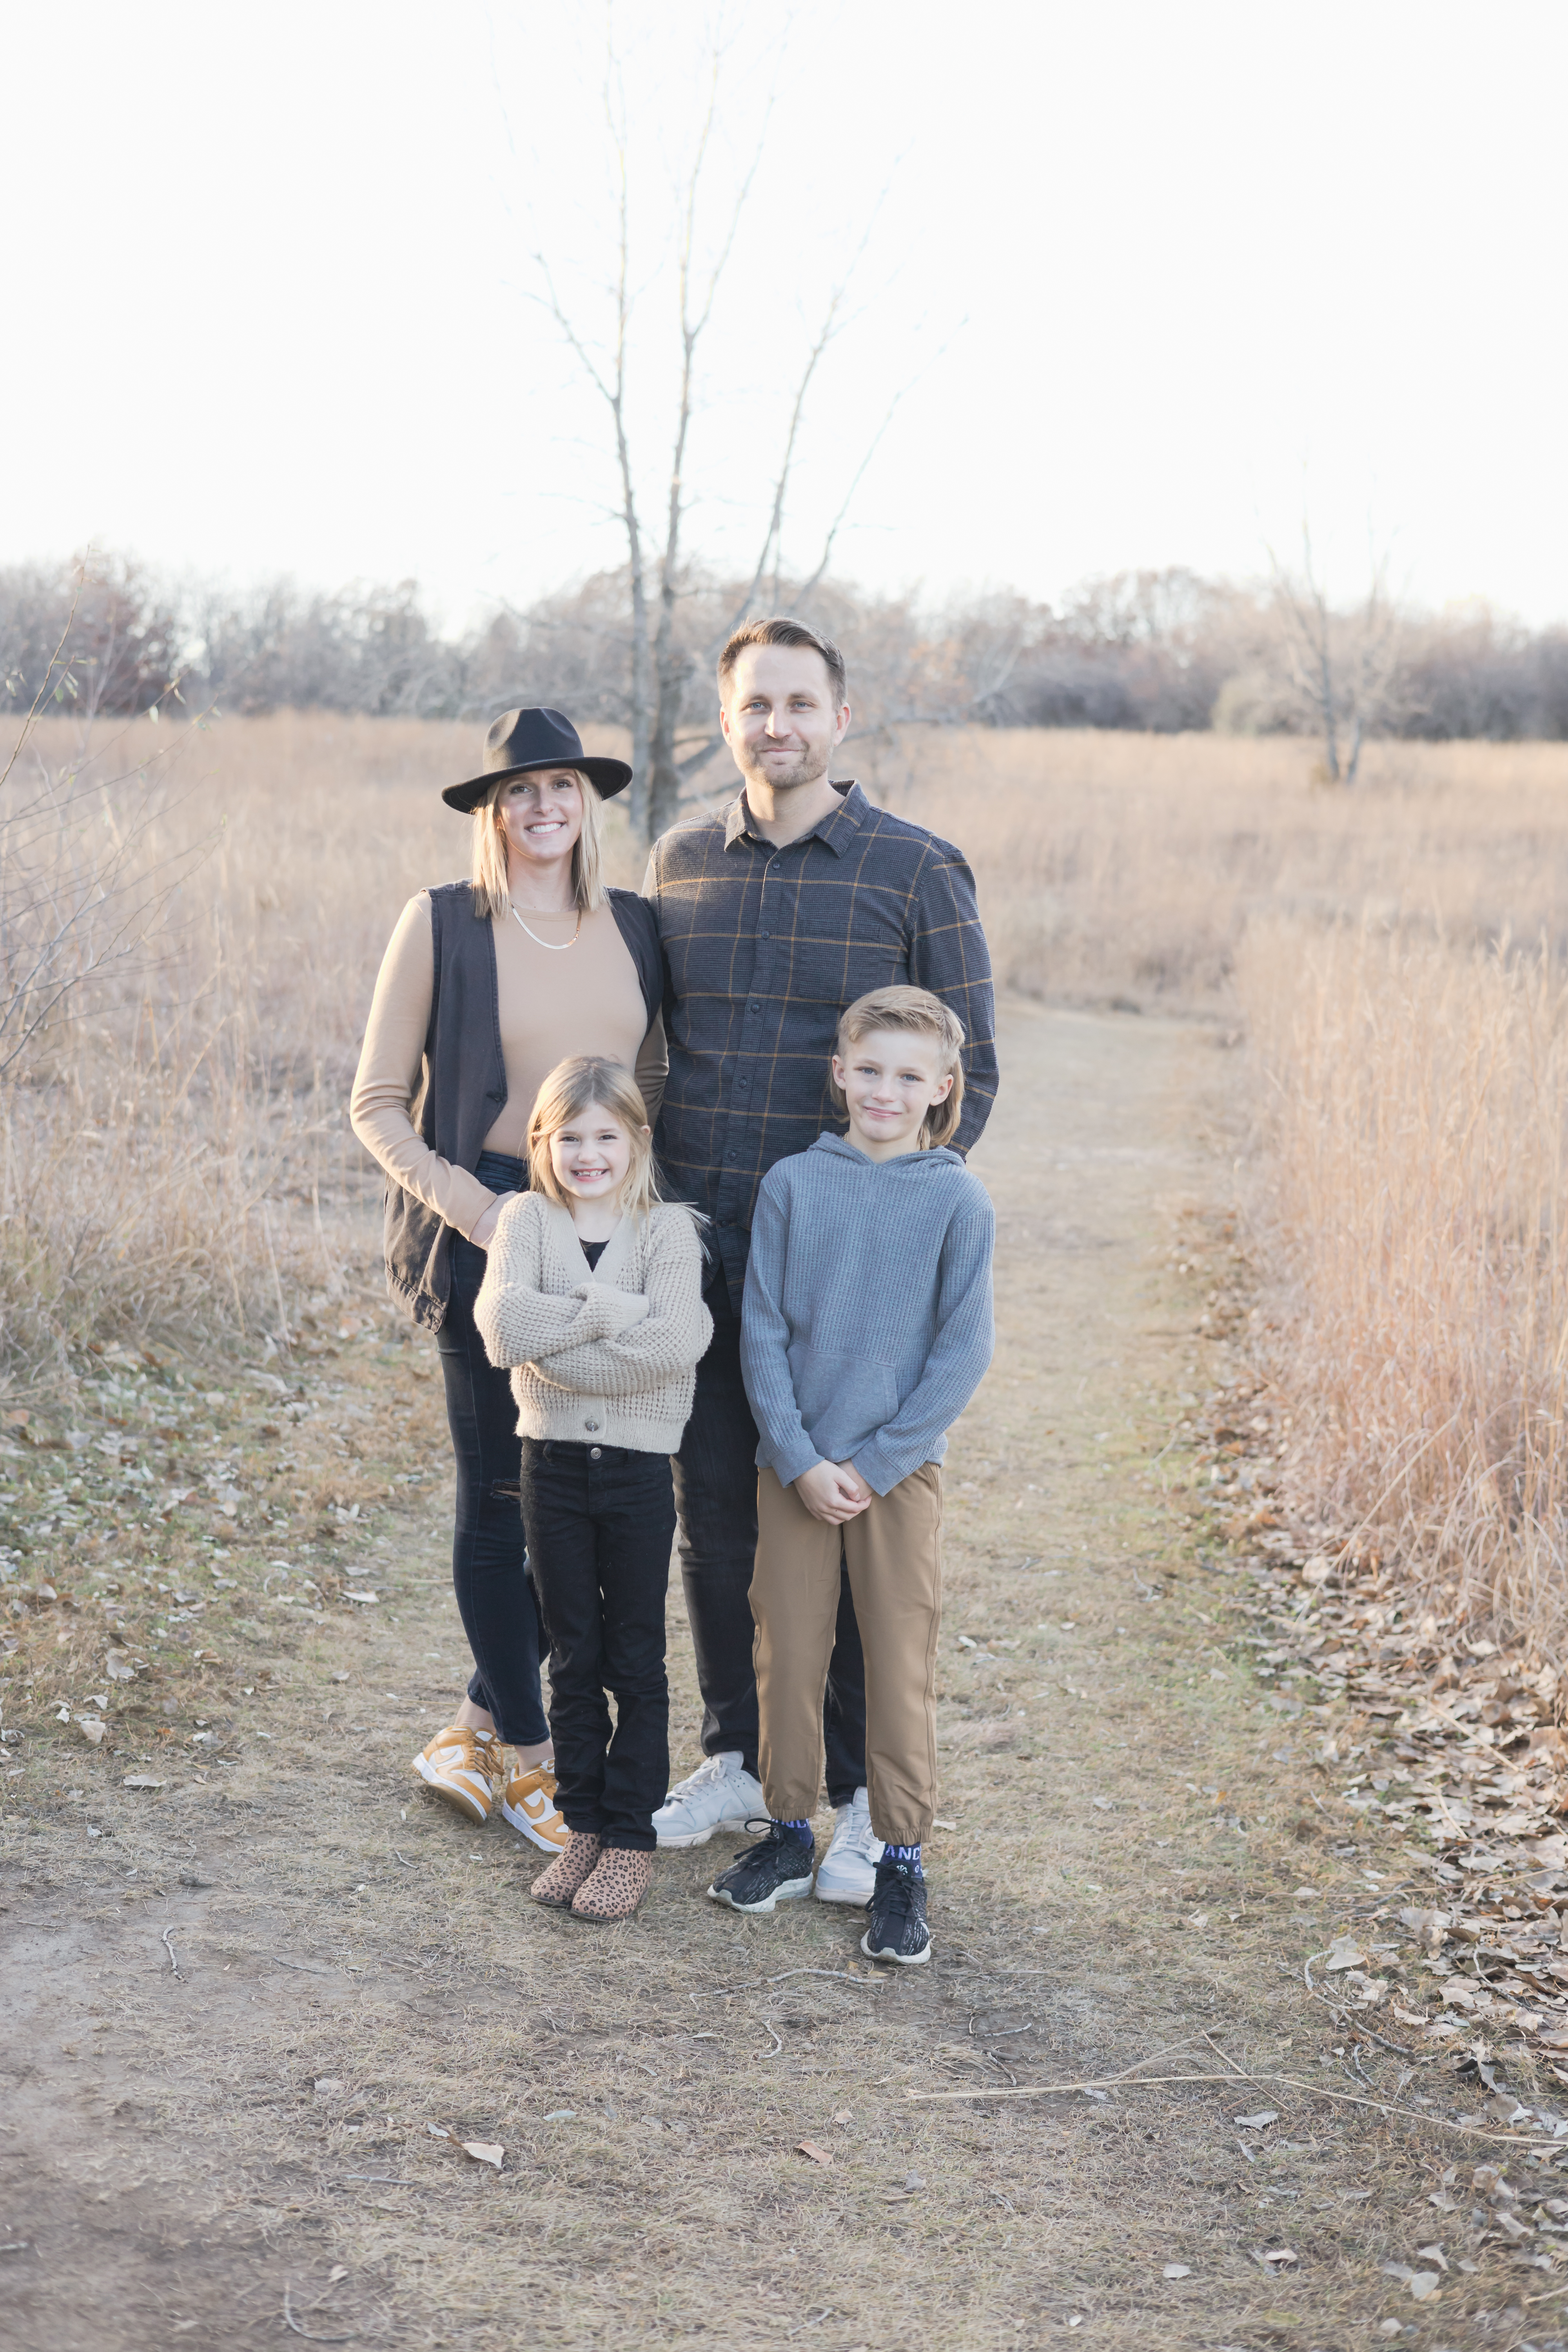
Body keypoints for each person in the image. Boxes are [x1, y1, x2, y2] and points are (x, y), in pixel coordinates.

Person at [642, 617, 998, 1900]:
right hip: (700, 1256)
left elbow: (975, 1071)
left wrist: (896, 1249)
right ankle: (741, 1755)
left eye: (801, 702)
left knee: (841, 1518)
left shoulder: (914, 871)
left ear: (841, 719)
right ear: (726, 719)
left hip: (842, 1283)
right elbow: (651, 1052)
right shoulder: (680, 862)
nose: (776, 724)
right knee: (717, 1527)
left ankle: (851, 1796)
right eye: (754, 705)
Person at [350, 709, 666, 1849]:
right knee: (501, 1497)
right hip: (484, 1217)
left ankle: (470, 1728)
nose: (544, 808)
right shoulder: (442, 924)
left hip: (609, 1221)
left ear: (589, 802)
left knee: (581, 1495)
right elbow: (376, 1104)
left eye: (564, 787)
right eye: (520, 790)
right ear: (494, 808)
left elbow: (650, 1081)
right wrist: (486, 1214)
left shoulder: (631, 923)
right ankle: (535, 1763)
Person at [709, 986, 995, 1964]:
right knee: (786, 1650)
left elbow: (961, 1352)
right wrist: (797, 1455)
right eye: (868, 1069)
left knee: (893, 1663)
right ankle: (788, 1833)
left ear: (941, 1089)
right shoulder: (794, 1183)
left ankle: (898, 1859)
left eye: (907, 1076)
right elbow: (762, 1331)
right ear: (839, 1073)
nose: (884, 1089)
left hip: (896, 1476)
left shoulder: (956, 1199)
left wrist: (872, 1466)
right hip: (794, 1467)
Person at [472, 1056, 710, 1922]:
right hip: (553, 1470)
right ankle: (582, 1826)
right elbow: (503, 1329)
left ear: (634, 1141)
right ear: (542, 1142)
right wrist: (615, 1314)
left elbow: (678, 1342)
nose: (587, 1153)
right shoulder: (526, 1221)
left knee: (633, 1658)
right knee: (571, 1654)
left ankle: (631, 1837)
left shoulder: (668, 1232)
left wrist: (563, 1331)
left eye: (605, 1136)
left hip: (640, 1474)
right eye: (568, 1137)